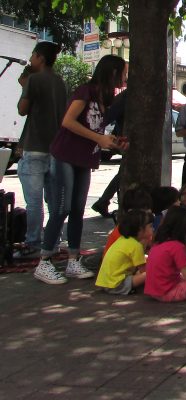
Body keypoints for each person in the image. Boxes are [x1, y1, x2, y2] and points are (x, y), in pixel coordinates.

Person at [34, 54, 127, 285]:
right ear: (112, 72)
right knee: (61, 208)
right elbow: (68, 121)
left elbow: (96, 127)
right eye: (123, 72)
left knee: (77, 209)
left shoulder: (108, 98)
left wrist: (113, 141)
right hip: (65, 154)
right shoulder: (86, 91)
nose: (125, 78)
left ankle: (73, 259)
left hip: (85, 158)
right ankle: (44, 262)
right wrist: (98, 138)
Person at [15, 41, 67, 259]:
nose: (31, 59)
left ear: (41, 58)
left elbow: (22, 110)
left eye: (34, 56)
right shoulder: (61, 83)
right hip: (55, 148)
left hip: (35, 146)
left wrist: (24, 86)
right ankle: (53, 240)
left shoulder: (34, 79)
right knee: (53, 200)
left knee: (34, 201)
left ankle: (34, 242)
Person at [96, 209, 153, 295]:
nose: (153, 228)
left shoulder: (122, 240)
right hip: (117, 284)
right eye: (150, 226)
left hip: (104, 282)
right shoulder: (135, 245)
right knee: (151, 273)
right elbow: (143, 270)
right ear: (141, 230)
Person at [91, 89, 128, 218]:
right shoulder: (125, 97)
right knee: (124, 171)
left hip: (126, 139)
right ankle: (105, 201)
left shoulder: (125, 96)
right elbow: (106, 118)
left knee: (123, 172)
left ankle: (104, 201)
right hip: (126, 141)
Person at [103, 184, 153, 258]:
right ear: (130, 212)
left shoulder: (143, 227)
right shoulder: (124, 232)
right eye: (143, 213)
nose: (147, 216)